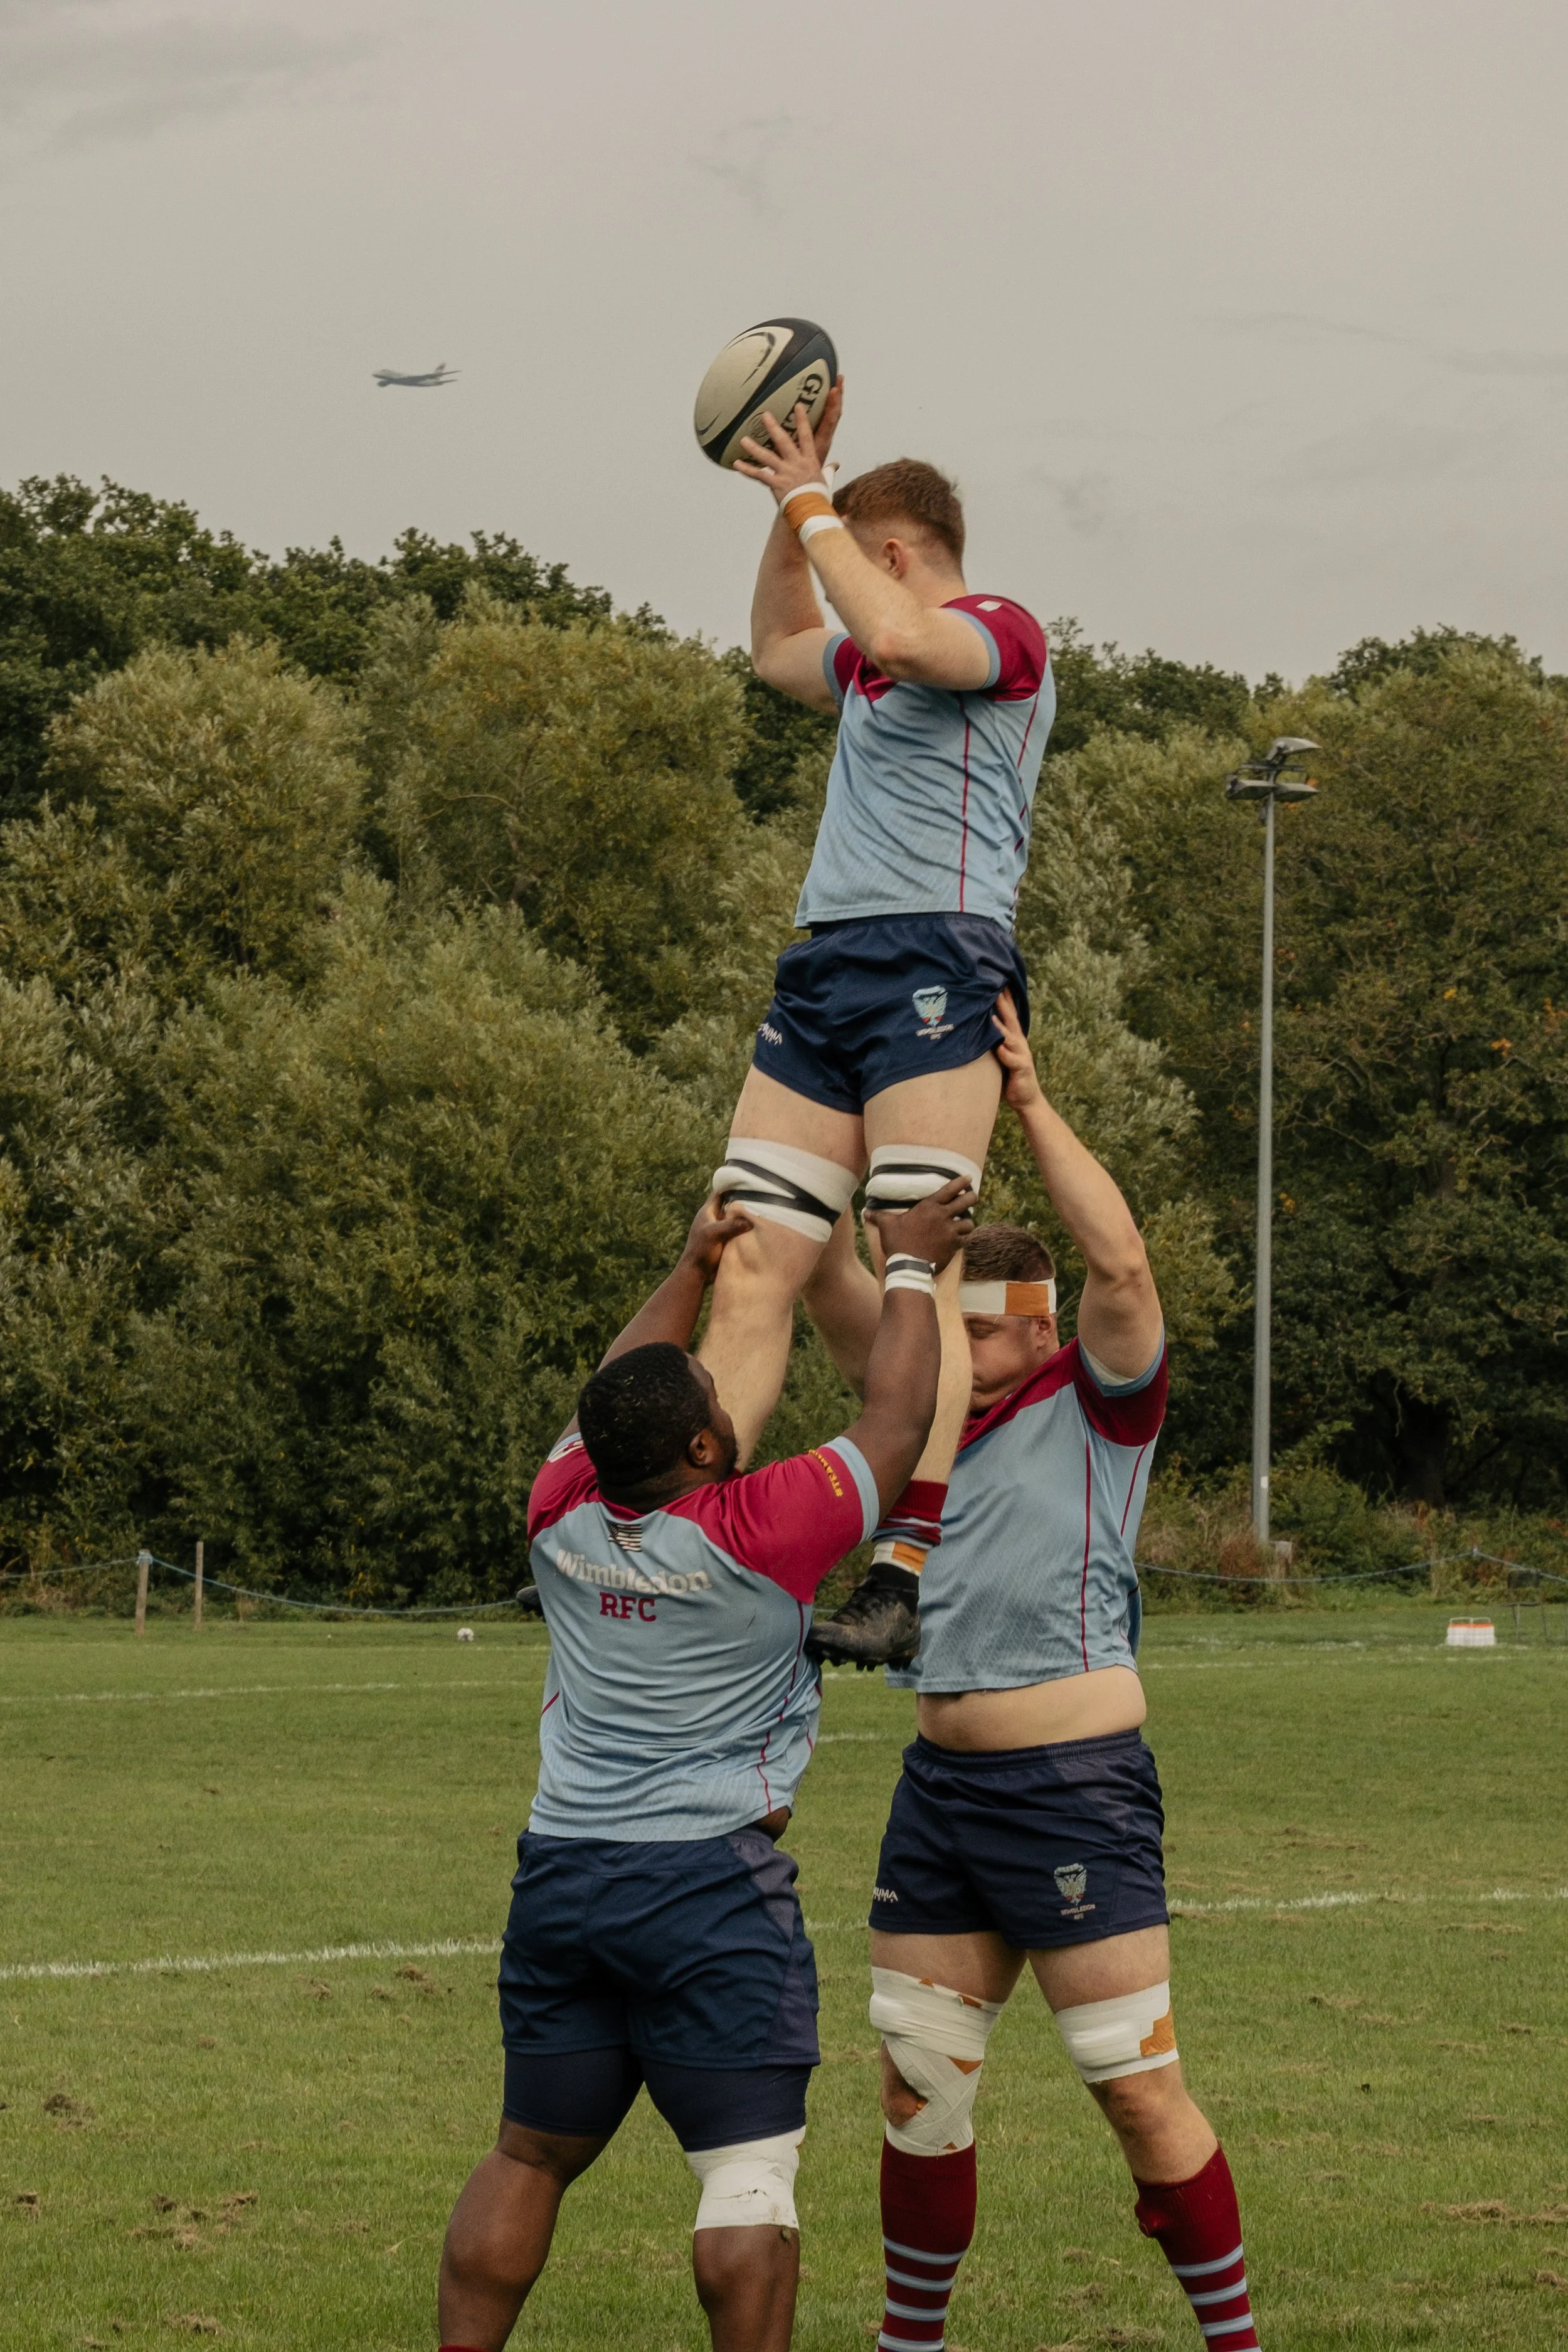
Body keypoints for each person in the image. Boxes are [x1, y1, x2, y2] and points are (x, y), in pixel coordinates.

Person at [435, 1175, 976, 2352]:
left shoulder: (559, 1506)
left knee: (528, 2149)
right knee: (747, 2187)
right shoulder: (756, 1527)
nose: (731, 1412)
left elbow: (611, 1391)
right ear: (699, 1442)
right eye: (715, 1407)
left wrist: (691, 1271)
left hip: (563, 1878)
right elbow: (896, 1421)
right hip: (708, 1890)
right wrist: (910, 1264)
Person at [801, 992, 1261, 2352]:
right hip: (938, 1790)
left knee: (1131, 2087)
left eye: (980, 1327)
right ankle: (908, 2347)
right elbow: (838, 1287)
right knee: (915, 2088)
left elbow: (1120, 1267)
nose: (955, 1348)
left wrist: (1028, 1106)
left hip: (1073, 1785)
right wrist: (835, 1143)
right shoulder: (911, 1404)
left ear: (1033, 1327)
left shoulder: (1092, 1398)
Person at [696, 381, 1056, 1663]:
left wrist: (813, 503)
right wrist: (791, 506)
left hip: (935, 958)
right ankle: (697, 1549)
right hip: (823, 970)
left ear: (891, 555)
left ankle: (898, 1576)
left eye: (852, 552)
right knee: (750, 1257)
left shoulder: (997, 633)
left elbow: (905, 642)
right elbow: (776, 646)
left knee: (918, 1265)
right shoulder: (859, 651)